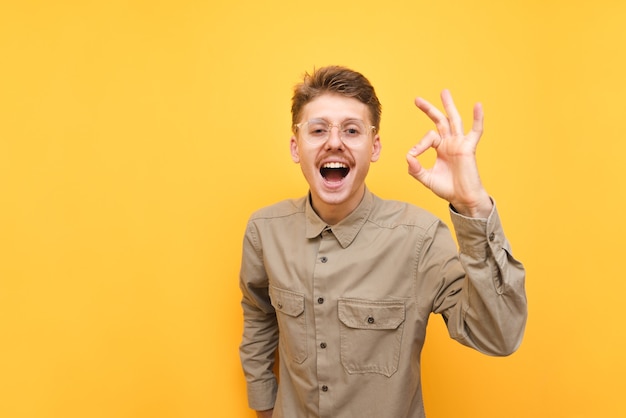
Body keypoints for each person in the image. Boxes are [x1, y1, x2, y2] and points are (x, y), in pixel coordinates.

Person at [238, 66, 527, 418]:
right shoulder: (264, 231)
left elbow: (500, 336)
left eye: (351, 130)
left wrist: (474, 207)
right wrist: (264, 404)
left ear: (373, 147)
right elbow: (258, 313)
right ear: (296, 147)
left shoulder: (420, 239)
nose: (334, 142)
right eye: (318, 130)